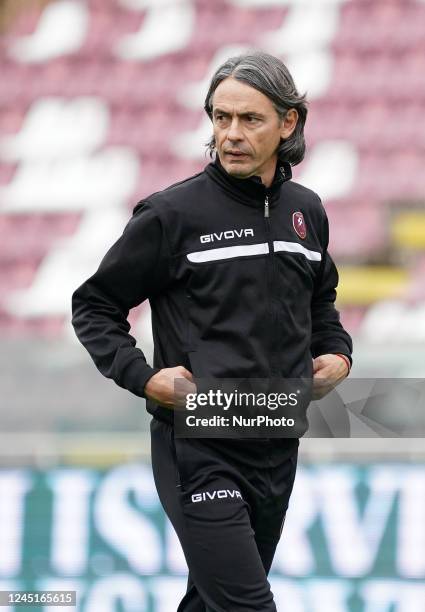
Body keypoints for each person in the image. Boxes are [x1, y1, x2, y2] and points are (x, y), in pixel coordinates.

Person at [72, 51, 353, 612]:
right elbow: (95, 306)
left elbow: (322, 304)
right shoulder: (171, 214)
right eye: (220, 118)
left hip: (278, 437)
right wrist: (145, 379)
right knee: (248, 607)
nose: (231, 134)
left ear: (287, 123)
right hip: (198, 444)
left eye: (249, 120)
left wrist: (337, 355)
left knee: (211, 604)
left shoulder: (307, 212)